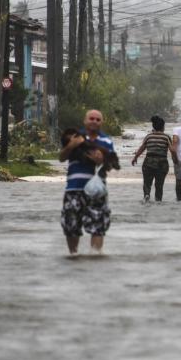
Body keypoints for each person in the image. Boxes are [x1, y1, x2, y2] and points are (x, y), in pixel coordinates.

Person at [58, 109, 116, 254]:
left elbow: (109, 164)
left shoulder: (106, 141)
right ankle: (73, 255)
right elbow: (61, 157)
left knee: (98, 226)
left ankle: (95, 257)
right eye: (91, 118)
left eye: (97, 119)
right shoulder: (75, 137)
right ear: (85, 121)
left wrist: (100, 160)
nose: (94, 121)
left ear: (101, 122)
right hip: (73, 188)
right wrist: (72, 145)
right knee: (71, 227)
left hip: (96, 191)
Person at [132, 116, 174, 203]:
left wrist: (135, 157)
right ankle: (158, 201)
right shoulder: (166, 137)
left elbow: (142, 148)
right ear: (163, 127)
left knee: (147, 183)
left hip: (148, 162)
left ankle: (147, 195)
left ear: (153, 127)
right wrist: (176, 159)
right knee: (159, 185)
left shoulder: (148, 137)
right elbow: (172, 150)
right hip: (162, 163)